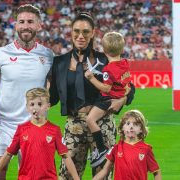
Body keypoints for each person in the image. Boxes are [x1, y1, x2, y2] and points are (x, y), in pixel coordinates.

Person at [49, 12, 135, 179]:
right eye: (76, 31)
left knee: (103, 175)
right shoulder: (59, 63)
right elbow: (52, 98)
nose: (81, 36)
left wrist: (122, 100)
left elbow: (130, 87)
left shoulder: (106, 59)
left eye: (86, 32)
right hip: (73, 125)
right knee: (67, 175)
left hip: (103, 123)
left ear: (93, 32)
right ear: (71, 32)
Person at [0, 4, 53, 179]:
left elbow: (59, 87)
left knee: (30, 175)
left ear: (39, 25)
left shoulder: (47, 55)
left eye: (30, 22)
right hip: (4, 125)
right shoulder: (1, 54)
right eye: (21, 21)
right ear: (16, 25)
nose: (25, 26)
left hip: (34, 126)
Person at [0, 88, 80, 180]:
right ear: (27, 107)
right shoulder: (21, 130)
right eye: (32, 104)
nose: (36, 108)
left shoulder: (54, 130)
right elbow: (7, 154)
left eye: (40, 104)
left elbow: (66, 156)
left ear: (48, 106)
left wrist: (76, 178)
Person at [84, 31, 131, 164]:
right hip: (117, 98)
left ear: (104, 50)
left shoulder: (108, 69)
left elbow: (106, 88)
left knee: (90, 120)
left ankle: (101, 149)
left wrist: (91, 78)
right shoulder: (125, 63)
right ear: (122, 49)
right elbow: (126, 82)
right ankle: (101, 149)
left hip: (106, 100)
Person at [93, 110, 162, 180]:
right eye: (128, 124)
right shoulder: (116, 148)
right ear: (122, 128)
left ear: (141, 129)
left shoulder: (146, 149)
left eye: (135, 124)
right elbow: (105, 170)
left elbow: (157, 172)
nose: (131, 127)